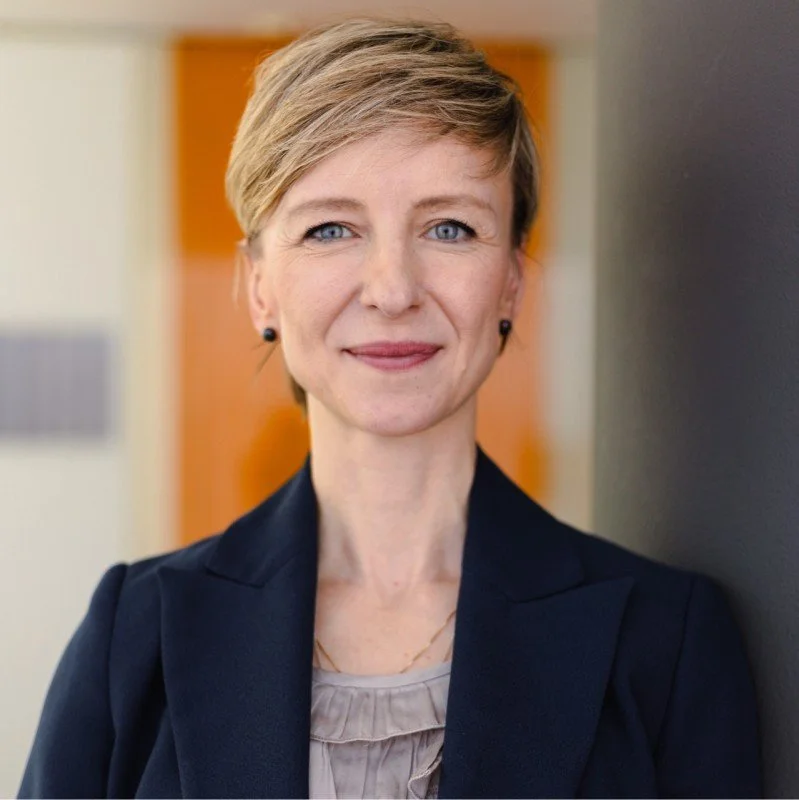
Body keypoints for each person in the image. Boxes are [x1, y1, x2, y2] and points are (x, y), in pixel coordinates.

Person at [19, 17, 761, 799]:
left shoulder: (664, 640)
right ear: (260, 286)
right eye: (330, 228)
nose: (393, 290)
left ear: (509, 278)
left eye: (449, 227)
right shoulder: (130, 638)